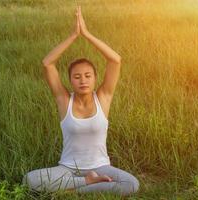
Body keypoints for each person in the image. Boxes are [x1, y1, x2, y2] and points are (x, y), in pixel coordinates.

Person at [22, 6, 139, 196]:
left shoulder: (103, 98)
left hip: (101, 167)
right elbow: (47, 63)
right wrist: (73, 36)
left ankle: (72, 190)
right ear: (70, 80)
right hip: (68, 168)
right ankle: (86, 183)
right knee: (30, 179)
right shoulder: (64, 101)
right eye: (77, 77)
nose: (83, 80)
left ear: (95, 78)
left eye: (87, 75)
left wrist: (87, 34)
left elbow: (115, 60)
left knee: (131, 184)